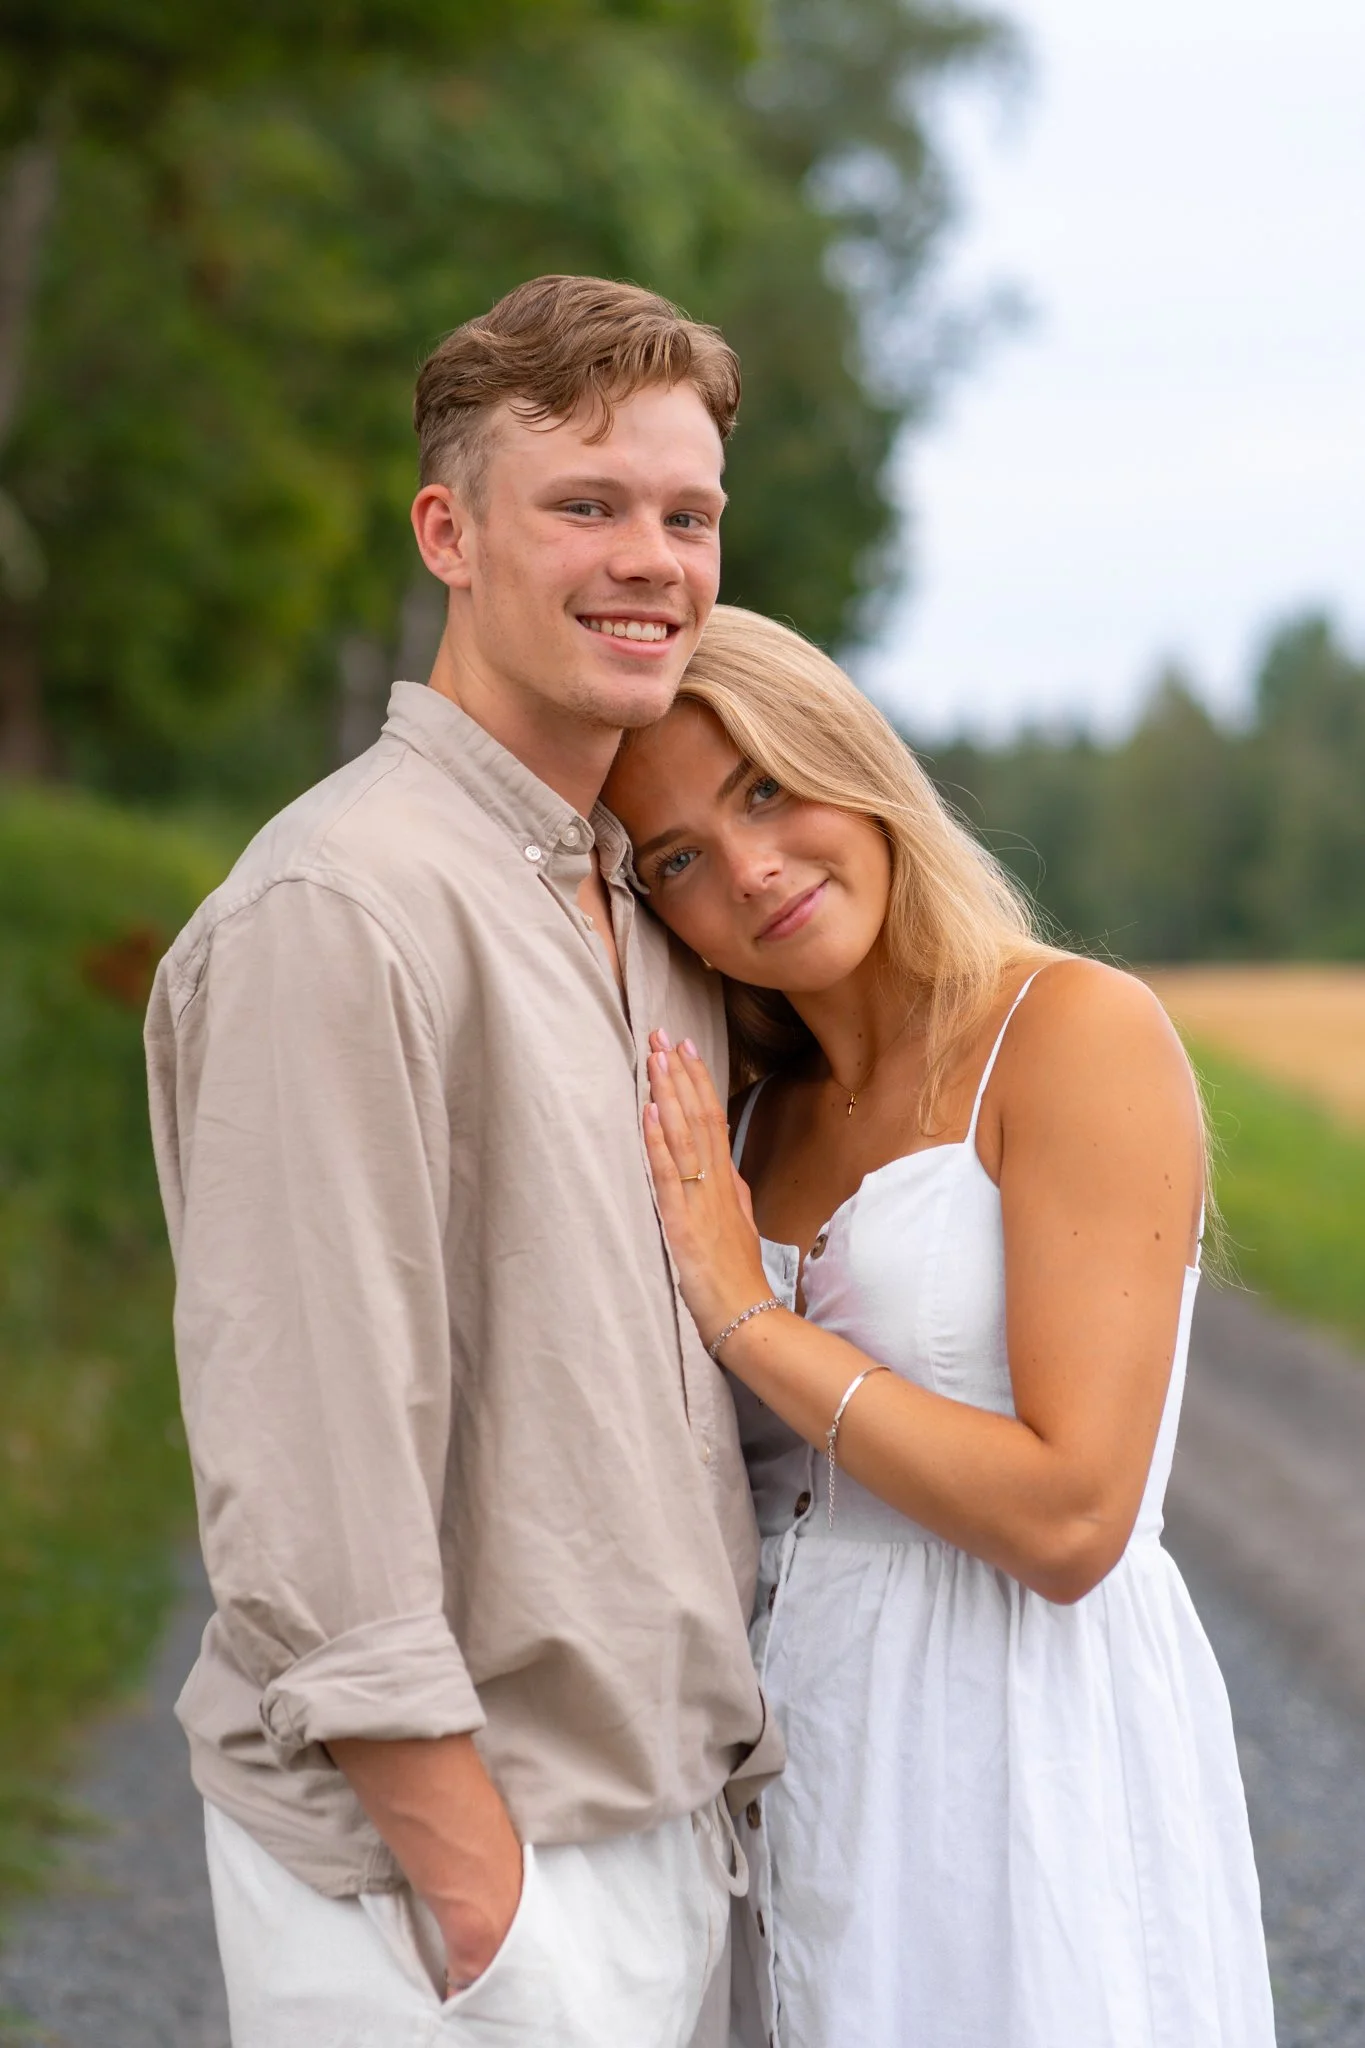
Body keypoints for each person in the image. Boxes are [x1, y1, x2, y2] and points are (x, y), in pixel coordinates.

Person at [144, 279, 782, 2048]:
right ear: (450, 532)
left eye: (688, 514)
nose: (649, 557)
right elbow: (312, 1475)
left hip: (660, 1842)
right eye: (585, 504)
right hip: (453, 1899)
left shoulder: (641, 910)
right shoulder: (337, 912)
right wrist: (493, 1923)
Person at [602, 603, 1277, 2048]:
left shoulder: (1076, 1033)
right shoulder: (748, 1114)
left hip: (1019, 1736)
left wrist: (749, 1314)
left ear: (848, 754)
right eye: (679, 858)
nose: (752, 870)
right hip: (794, 1740)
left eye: (765, 788)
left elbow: (1073, 1519)